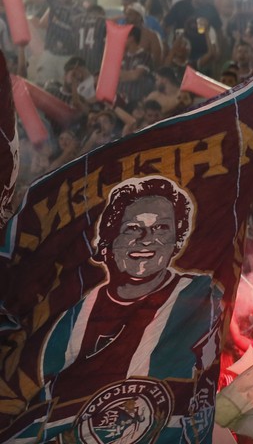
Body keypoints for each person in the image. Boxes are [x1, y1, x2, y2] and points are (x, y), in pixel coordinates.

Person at [36, 176, 220, 443]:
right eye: (133, 228)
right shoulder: (73, 318)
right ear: (110, 240)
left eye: (161, 229)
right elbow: (45, 407)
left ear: (177, 242)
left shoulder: (199, 298)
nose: (147, 240)